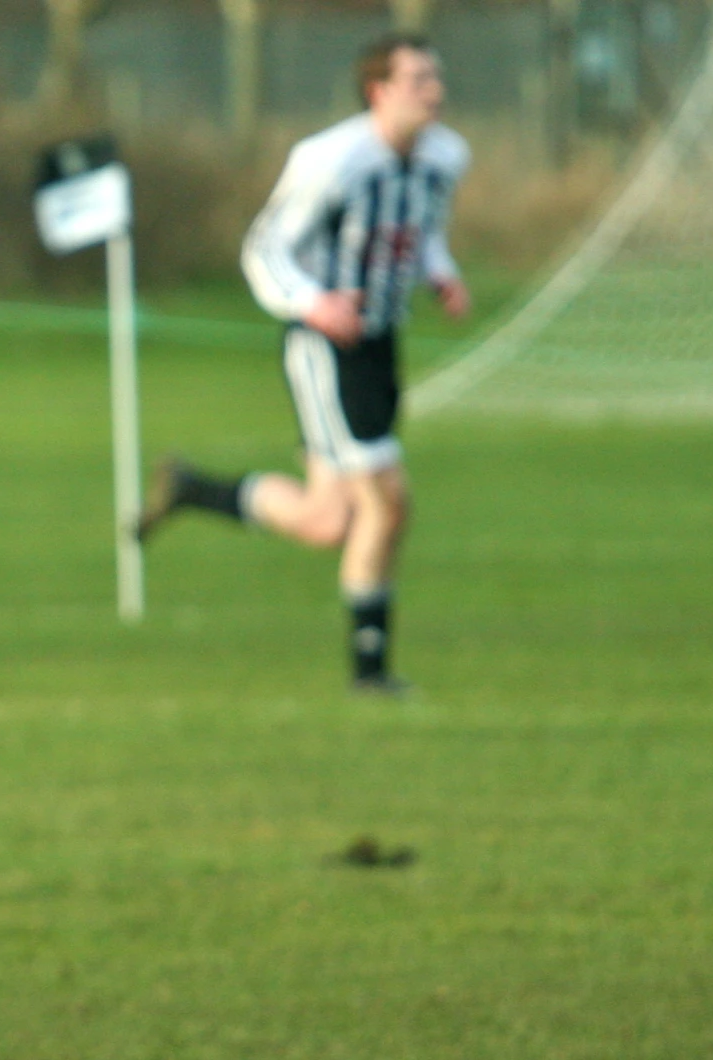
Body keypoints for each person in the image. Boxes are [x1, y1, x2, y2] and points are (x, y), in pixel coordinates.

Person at [141, 34, 471, 694]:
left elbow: (421, 229)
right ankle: (369, 672)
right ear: (378, 91)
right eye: (416, 79)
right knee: (388, 501)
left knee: (330, 522)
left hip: (380, 342)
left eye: (435, 76)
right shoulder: (330, 160)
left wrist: (441, 273)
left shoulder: (446, 156)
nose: (432, 90)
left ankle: (193, 489)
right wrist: (312, 303)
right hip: (326, 347)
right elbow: (263, 249)